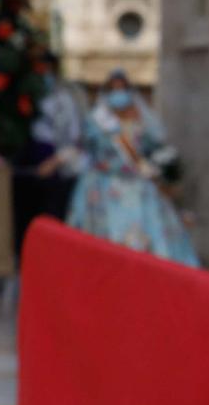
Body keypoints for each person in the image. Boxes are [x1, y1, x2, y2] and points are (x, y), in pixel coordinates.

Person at [66, 68, 198, 267]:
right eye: (114, 88)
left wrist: (164, 173)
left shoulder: (141, 120)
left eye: (122, 88)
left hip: (139, 188)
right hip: (104, 186)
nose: (119, 93)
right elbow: (88, 148)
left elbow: (151, 151)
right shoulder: (98, 121)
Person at [11, 50, 87, 258]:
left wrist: (54, 162)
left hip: (54, 166)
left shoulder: (65, 99)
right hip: (28, 164)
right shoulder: (23, 96)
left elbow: (75, 139)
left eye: (45, 68)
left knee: (51, 219)